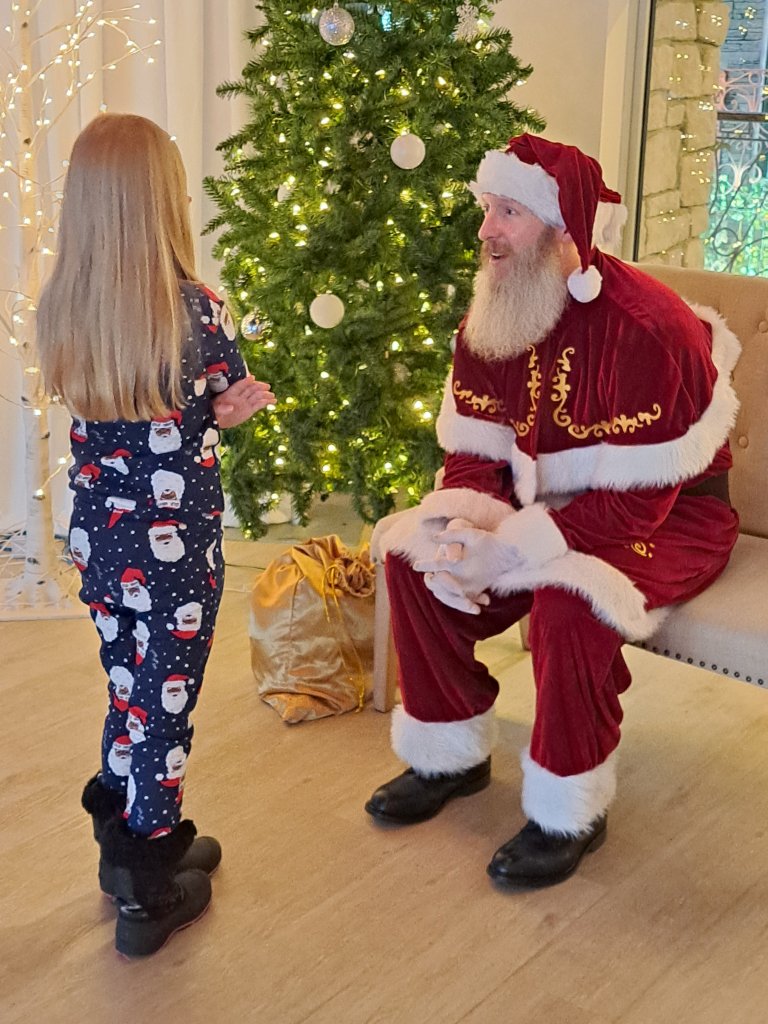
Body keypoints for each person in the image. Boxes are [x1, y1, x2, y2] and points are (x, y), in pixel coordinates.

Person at [366, 134, 740, 889]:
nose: (486, 230)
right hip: (540, 504)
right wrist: (466, 527)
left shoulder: (648, 328)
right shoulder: (494, 309)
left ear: (564, 226)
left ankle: (570, 808)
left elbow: (638, 503)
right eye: (487, 208)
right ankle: (450, 757)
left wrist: (509, 549)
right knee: (417, 558)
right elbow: (474, 450)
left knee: (572, 602)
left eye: (508, 212)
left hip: (669, 517)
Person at [37, 113, 275, 955]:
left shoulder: (65, 307)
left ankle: (131, 842)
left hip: (99, 544)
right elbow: (220, 401)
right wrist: (231, 411)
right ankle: (148, 889)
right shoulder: (200, 312)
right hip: (176, 556)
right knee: (165, 705)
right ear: (163, 202)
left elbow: (129, 414)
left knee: (129, 688)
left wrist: (201, 413)